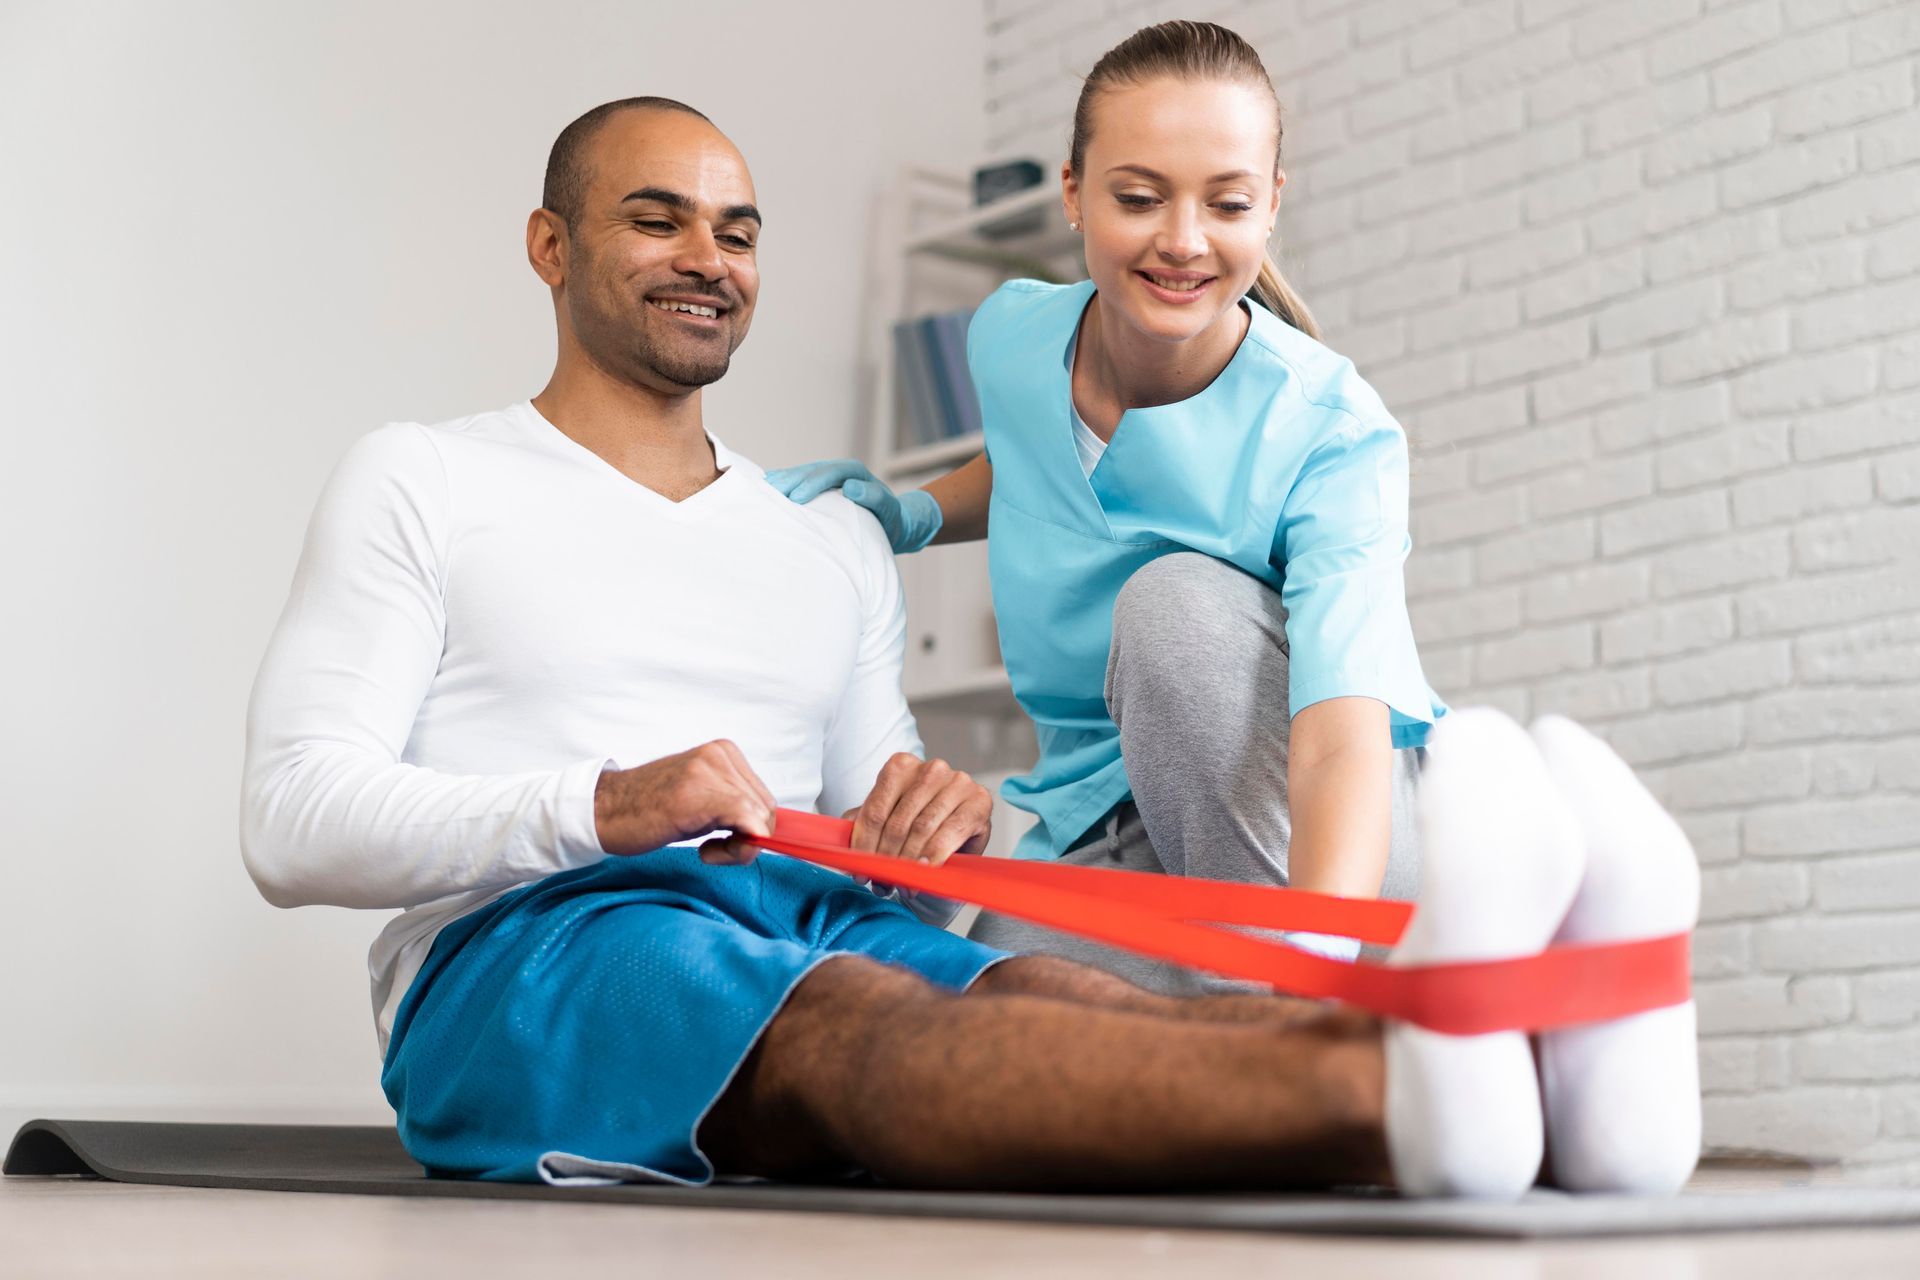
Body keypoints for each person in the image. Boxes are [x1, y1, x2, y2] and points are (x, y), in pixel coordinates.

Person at [240, 94, 1700, 1202]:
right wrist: (602, 804)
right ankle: (1400, 1101)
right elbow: (291, 824)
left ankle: (1503, 1057)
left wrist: (921, 806)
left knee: (1038, 989)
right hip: (541, 943)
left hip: (809, 912)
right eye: (656, 219)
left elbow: (882, 792)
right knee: (845, 1026)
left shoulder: (825, 540)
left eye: (737, 231)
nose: (708, 258)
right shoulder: (424, 476)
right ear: (550, 244)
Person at [769, 21, 1446, 977]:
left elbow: (1341, 736)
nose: (1183, 241)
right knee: (976, 1043)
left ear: (1271, 207)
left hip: (1324, 834)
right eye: (1138, 197)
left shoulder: (1334, 432)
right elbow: (1039, 456)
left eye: (1227, 203)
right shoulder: (1011, 335)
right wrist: (916, 515)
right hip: (1107, 809)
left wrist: (1318, 948)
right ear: (1075, 193)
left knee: (1172, 604)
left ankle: (1297, 1030)